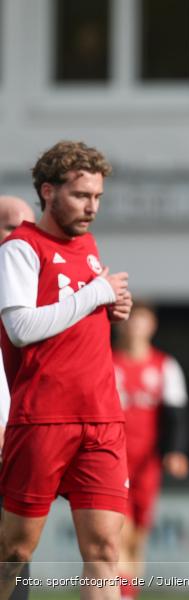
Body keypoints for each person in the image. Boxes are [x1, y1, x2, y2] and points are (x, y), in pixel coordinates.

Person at [0, 141, 132, 600]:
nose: (92, 207)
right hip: (42, 418)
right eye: (81, 196)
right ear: (48, 191)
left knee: (104, 551)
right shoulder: (20, 248)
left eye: (97, 197)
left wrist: (111, 308)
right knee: (13, 553)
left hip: (101, 418)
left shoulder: (89, 246)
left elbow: (76, 314)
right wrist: (94, 296)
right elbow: (19, 328)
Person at [112, 302, 189, 599]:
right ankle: (119, 592)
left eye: (140, 319)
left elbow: (177, 416)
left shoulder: (164, 366)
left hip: (147, 464)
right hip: (111, 461)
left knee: (137, 536)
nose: (133, 325)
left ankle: (129, 591)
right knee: (119, 530)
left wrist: (176, 451)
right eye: (129, 319)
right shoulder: (107, 363)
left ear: (152, 325)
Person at [0, 196, 35, 600]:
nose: (18, 237)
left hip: (23, 436)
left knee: (16, 546)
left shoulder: (45, 293)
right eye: (8, 227)